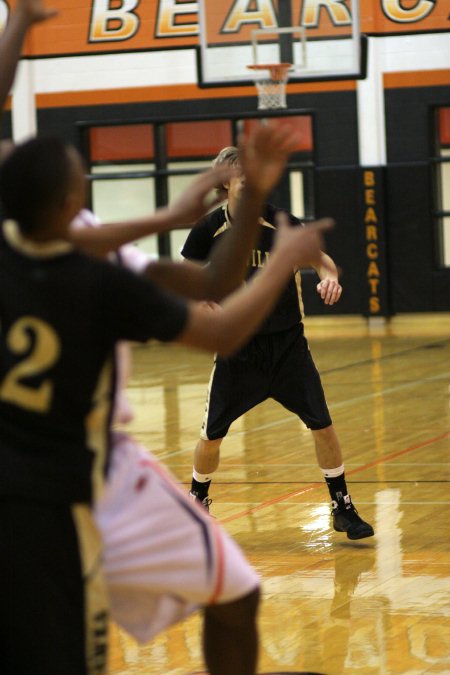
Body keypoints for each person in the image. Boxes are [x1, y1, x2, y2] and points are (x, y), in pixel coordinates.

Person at [0, 134, 330, 674]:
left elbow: (209, 277)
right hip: (74, 483)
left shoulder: (16, 248)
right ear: (67, 205)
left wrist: (173, 214)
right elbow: (220, 320)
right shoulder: (100, 283)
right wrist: (282, 261)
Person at [182, 145, 374, 541]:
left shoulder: (281, 223)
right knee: (212, 435)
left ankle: (342, 506)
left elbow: (323, 259)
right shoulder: (208, 229)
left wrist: (329, 276)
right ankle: (196, 504)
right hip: (238, 349)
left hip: (288, 347)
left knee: (323, 426)